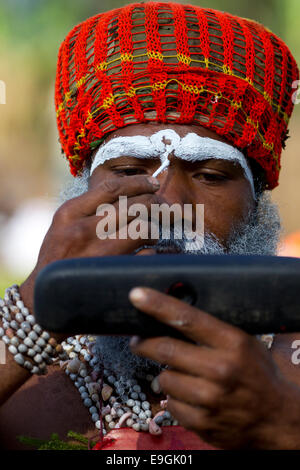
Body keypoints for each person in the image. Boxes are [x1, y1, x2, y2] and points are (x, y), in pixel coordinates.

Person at [0, 1, 299, 450]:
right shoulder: (22, 384)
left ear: (257, 204)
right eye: (125, 172)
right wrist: (34, 308)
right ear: (80, 194)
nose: (169, 203)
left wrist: (283, 426)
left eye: (211, 176)